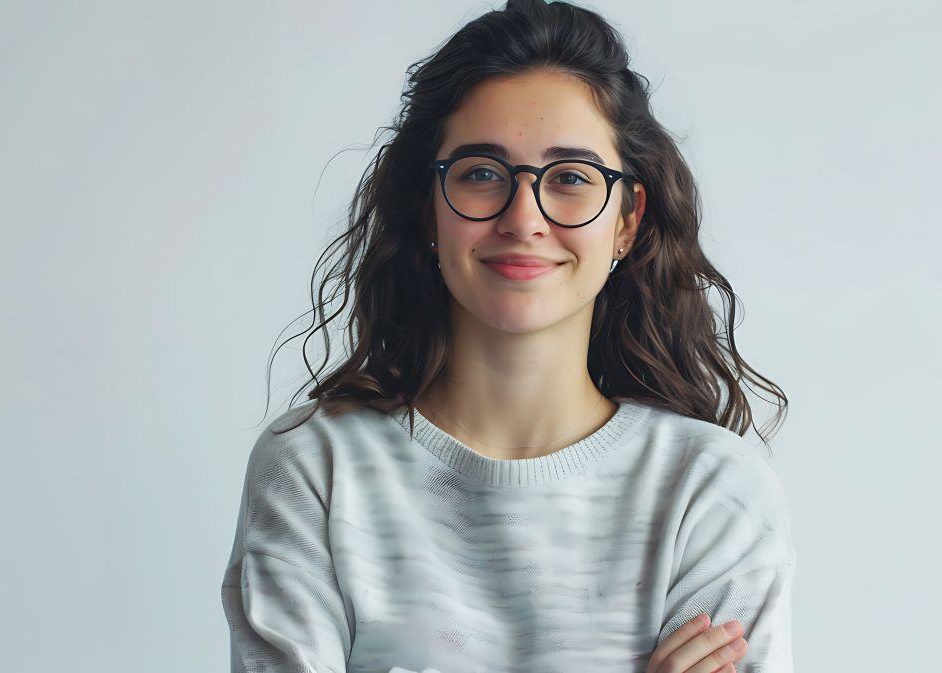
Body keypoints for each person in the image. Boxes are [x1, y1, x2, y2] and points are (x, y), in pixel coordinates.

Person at [220, 1, 796, 672]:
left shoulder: (710, 490)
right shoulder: (315, 471)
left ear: (627, 220)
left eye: (572, 178)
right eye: (482, 173)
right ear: (427, 208)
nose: (524, 218)